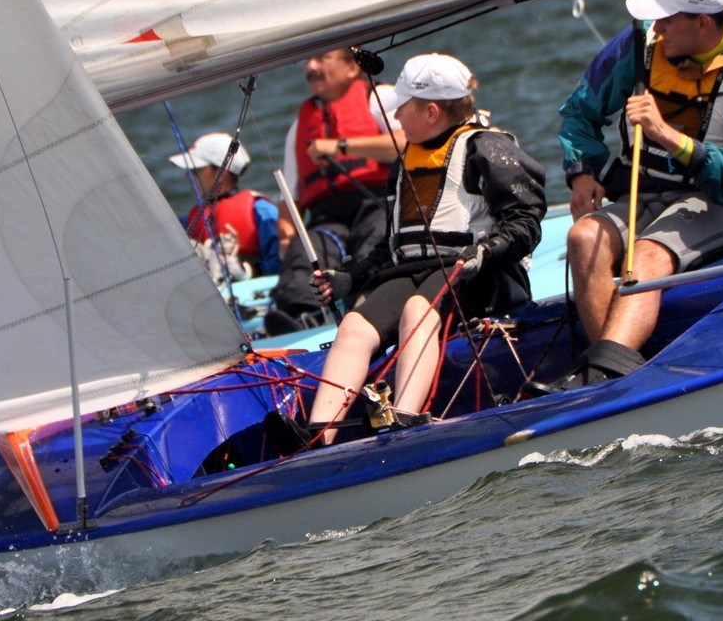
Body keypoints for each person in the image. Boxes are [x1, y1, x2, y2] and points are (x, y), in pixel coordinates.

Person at [266, 53, 546, 453]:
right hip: (414, 272)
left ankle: (404, 418)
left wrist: (486, 252)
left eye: (403, 107)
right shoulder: (405, 162)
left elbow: (526, 220)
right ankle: (318, 434)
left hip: (477, 275)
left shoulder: (485, 149)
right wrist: (351, 276)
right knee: (354, 325)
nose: (395, 116)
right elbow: (392, 245)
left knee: (417, 309)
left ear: (431, 112)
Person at [537, 0, 723, 391]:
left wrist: (668, 136)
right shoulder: (637, 47)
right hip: (644, 197)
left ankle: (601, 374)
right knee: (583, 238)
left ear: (702, 24)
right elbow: (580, 114)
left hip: (716, 204)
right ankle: (610, 370)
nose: (657, 28)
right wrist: (582, 173)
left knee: (648, 256)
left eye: (667, 20)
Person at [267, 48, 405, 332]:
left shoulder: (381, 98)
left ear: (352, 68)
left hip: (378, 200)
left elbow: (407, 142)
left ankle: (370, 309)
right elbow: (291, 197)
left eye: (321, 58)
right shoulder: (300, 126)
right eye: (308, 59)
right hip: (327, 215)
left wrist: (341, 146)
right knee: (306, 251)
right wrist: (287, 232)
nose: (311, 66)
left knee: (372, 240)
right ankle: (300, 317)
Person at [169, 132, 281, 279]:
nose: (188, 176)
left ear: (221, 172)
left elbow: (282, 261)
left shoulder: (261, 211)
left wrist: (247, 272)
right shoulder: (187, 223)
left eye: (196, 171)